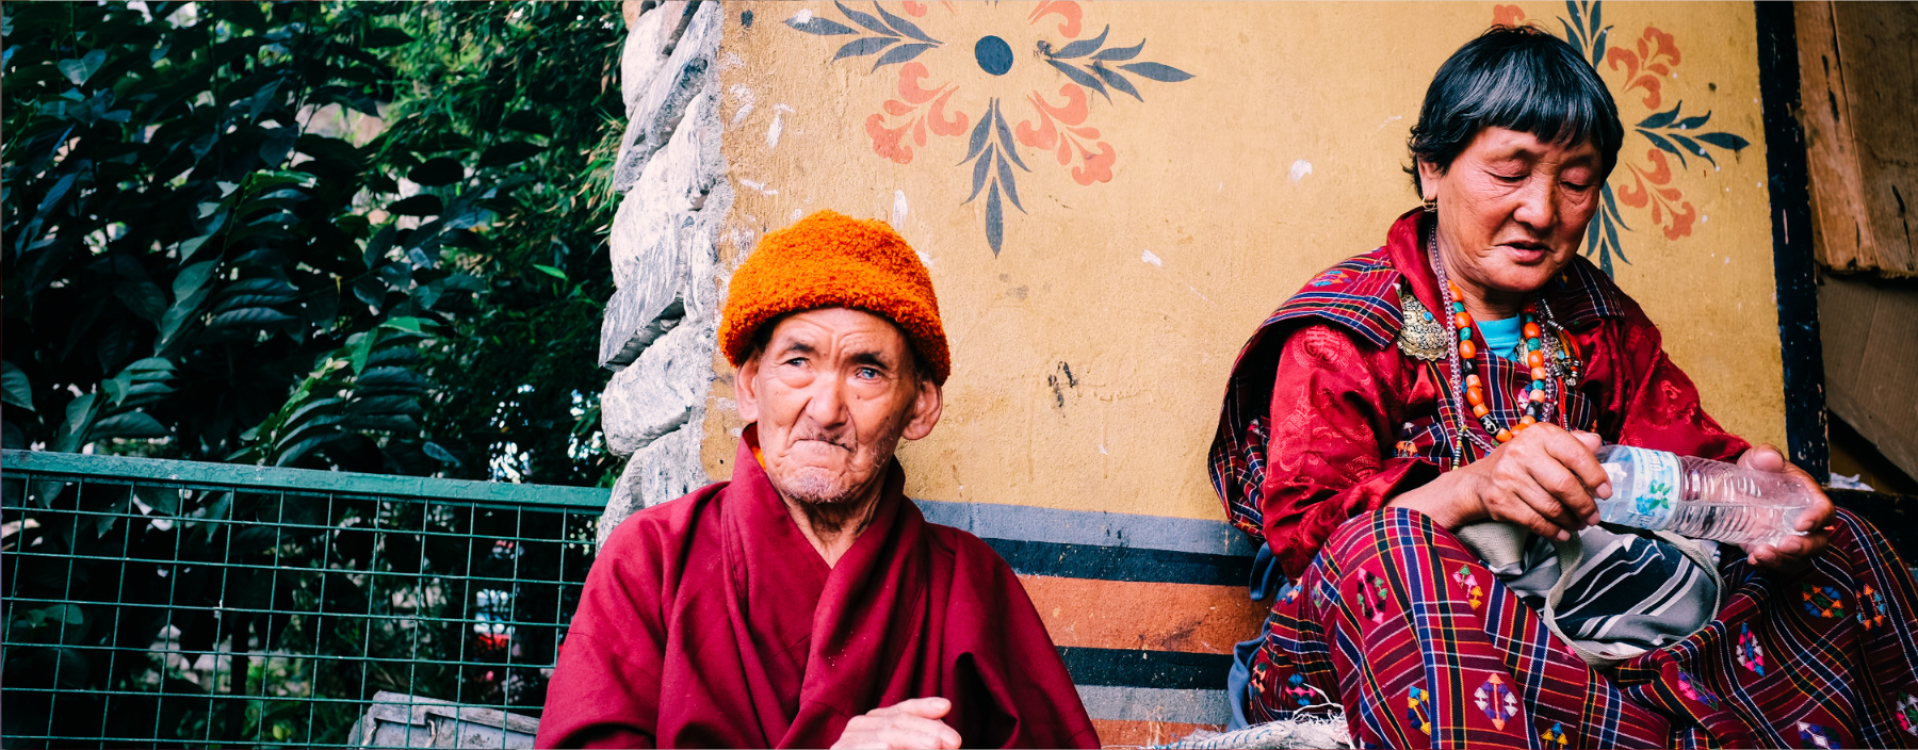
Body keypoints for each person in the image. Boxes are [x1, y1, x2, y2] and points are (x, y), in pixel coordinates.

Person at [1209, 26, 1918, 749]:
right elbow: (1310, 539)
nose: (1543, 212)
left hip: (1579, 636)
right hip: (1379, 641)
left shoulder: (1598, 321)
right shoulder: (1350, 327)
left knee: (1844, 543)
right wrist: (1471, 489)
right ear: (1432, 168)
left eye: (1577, 183)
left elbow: (1682, 455)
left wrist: (1752, 490)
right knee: (1392, 548)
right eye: (1510, 173)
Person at [537, 211, 1098, 749]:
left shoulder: (968, 585)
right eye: (798, 362)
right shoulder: (653, 561)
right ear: (751, 386)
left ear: (920, 406)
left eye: (867, 372)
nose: (826, 409)